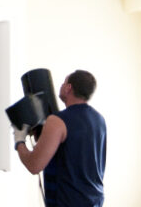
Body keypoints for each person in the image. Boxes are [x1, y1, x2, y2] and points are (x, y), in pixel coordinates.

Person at [14, 70, 106, 207]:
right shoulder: (99, 119)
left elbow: (34, 165)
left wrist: (19, 140)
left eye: (64, 82)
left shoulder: (57, 121)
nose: (61, 86)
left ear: (69, 87)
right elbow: (71, 153)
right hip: (94, 201)